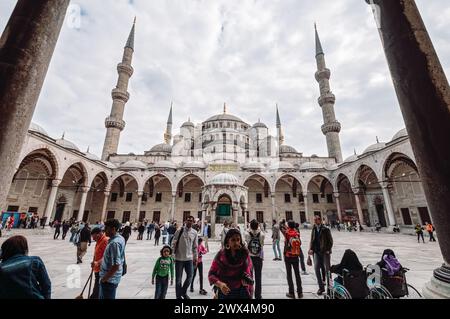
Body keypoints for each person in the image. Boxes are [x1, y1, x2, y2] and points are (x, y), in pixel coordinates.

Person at [208, 228, 254, 299]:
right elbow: (211, 274)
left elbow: (250, 273)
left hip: (242, 291)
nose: (236, 243)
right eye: (233, 240)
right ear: (227, 241)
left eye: (238, 240)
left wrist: (248, 285)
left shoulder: (245, 254)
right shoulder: (221, 255)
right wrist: (220, 284)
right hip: (225, 291)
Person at [171, 215, 198, 299]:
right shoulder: (179, 230)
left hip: (189, 258)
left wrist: (195, 257)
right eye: (188, 220)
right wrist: (172, 255)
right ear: (185, 221)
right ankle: (178, 296)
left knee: (190, 276)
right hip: (179, 258)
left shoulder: (194, 232)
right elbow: (173, 243)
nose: (189, 222)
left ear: (193, 222)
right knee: (178, 279)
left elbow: (195, 246)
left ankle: (183, 292)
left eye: (191, 220)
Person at [99, 219, 126, 299]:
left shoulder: (114, 243)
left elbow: (116, 265)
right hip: (114, 278)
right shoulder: (121, 238)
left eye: (106, 228)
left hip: (109, 280)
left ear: (113, 229)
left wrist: (104, 279)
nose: (104, 231)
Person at [309, 215, 333, 295]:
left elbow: (330, 241)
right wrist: (310, 248)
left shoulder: (325, 229)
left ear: (320, 220)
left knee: (327, 270)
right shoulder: (314, 228)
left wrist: (328, 249)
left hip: (324, 252)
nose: (315, 221)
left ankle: (330, 288)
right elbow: (312, 239)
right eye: (314, 220)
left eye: (316, 220)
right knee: (316, 269)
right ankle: (321, 287)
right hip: (316, 252)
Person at [281, 220, 303, 299]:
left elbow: (281, 228)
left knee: (289, 275)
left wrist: (282, 223)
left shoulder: (286, 233)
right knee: (297, 274)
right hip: (296, 255)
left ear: (289, 226)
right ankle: (300, 293)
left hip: (288, 256)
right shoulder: (297, 233)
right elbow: (300, 243)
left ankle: (291, 293)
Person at [245, 219, 265, 299]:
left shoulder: (246, 234)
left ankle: (250, 294)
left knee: (249, 277)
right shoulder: (262, 234)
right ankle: (258, 295)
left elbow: (245, 245)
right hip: (258, 258)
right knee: (258, 277)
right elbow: (262, 245)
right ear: (258, 226)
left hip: (250, 258)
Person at [90, 227, 109, 299]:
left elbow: (106, 256)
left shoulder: (105, 241)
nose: (93, 239)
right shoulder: (99, 240)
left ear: (98, 234)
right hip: (97, 268)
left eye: (94, 237)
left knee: (97, 290)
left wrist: (97, 263)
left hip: (102, 269)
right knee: (97, 289)